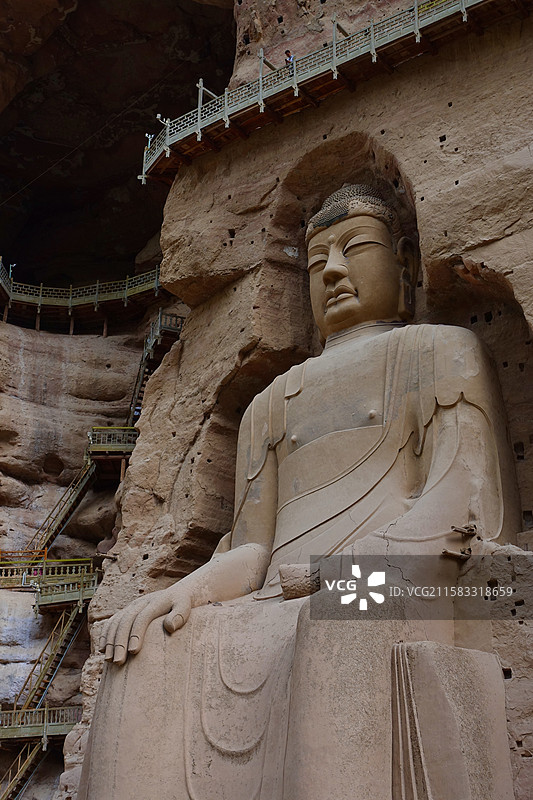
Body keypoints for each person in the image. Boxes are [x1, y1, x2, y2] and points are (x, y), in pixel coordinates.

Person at [79, 185, 519, 800]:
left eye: (353, 249)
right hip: (277, 593)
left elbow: (466, 501)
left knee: (338, 608)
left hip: (406, 572)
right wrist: (181, 591)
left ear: (407, 262)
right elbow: (256, 550)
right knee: (147, 652)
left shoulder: (439, 350)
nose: (334, 271)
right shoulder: (271, 403)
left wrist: (347, 566)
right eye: (317, 262)